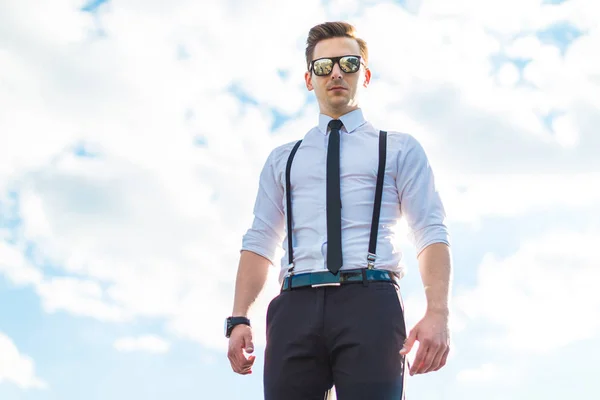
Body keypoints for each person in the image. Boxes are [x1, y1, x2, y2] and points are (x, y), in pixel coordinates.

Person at [226, 21, 452, 399]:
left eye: (348, 63)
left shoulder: (397, 149)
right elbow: (261, 238)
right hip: (295, 305)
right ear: (308, 78)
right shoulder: (283, 159)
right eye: (323, 65)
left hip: (370, 301)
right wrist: (238, 318)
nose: (335, 73)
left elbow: (430, 231)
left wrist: (438, 313)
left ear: (364, 75)